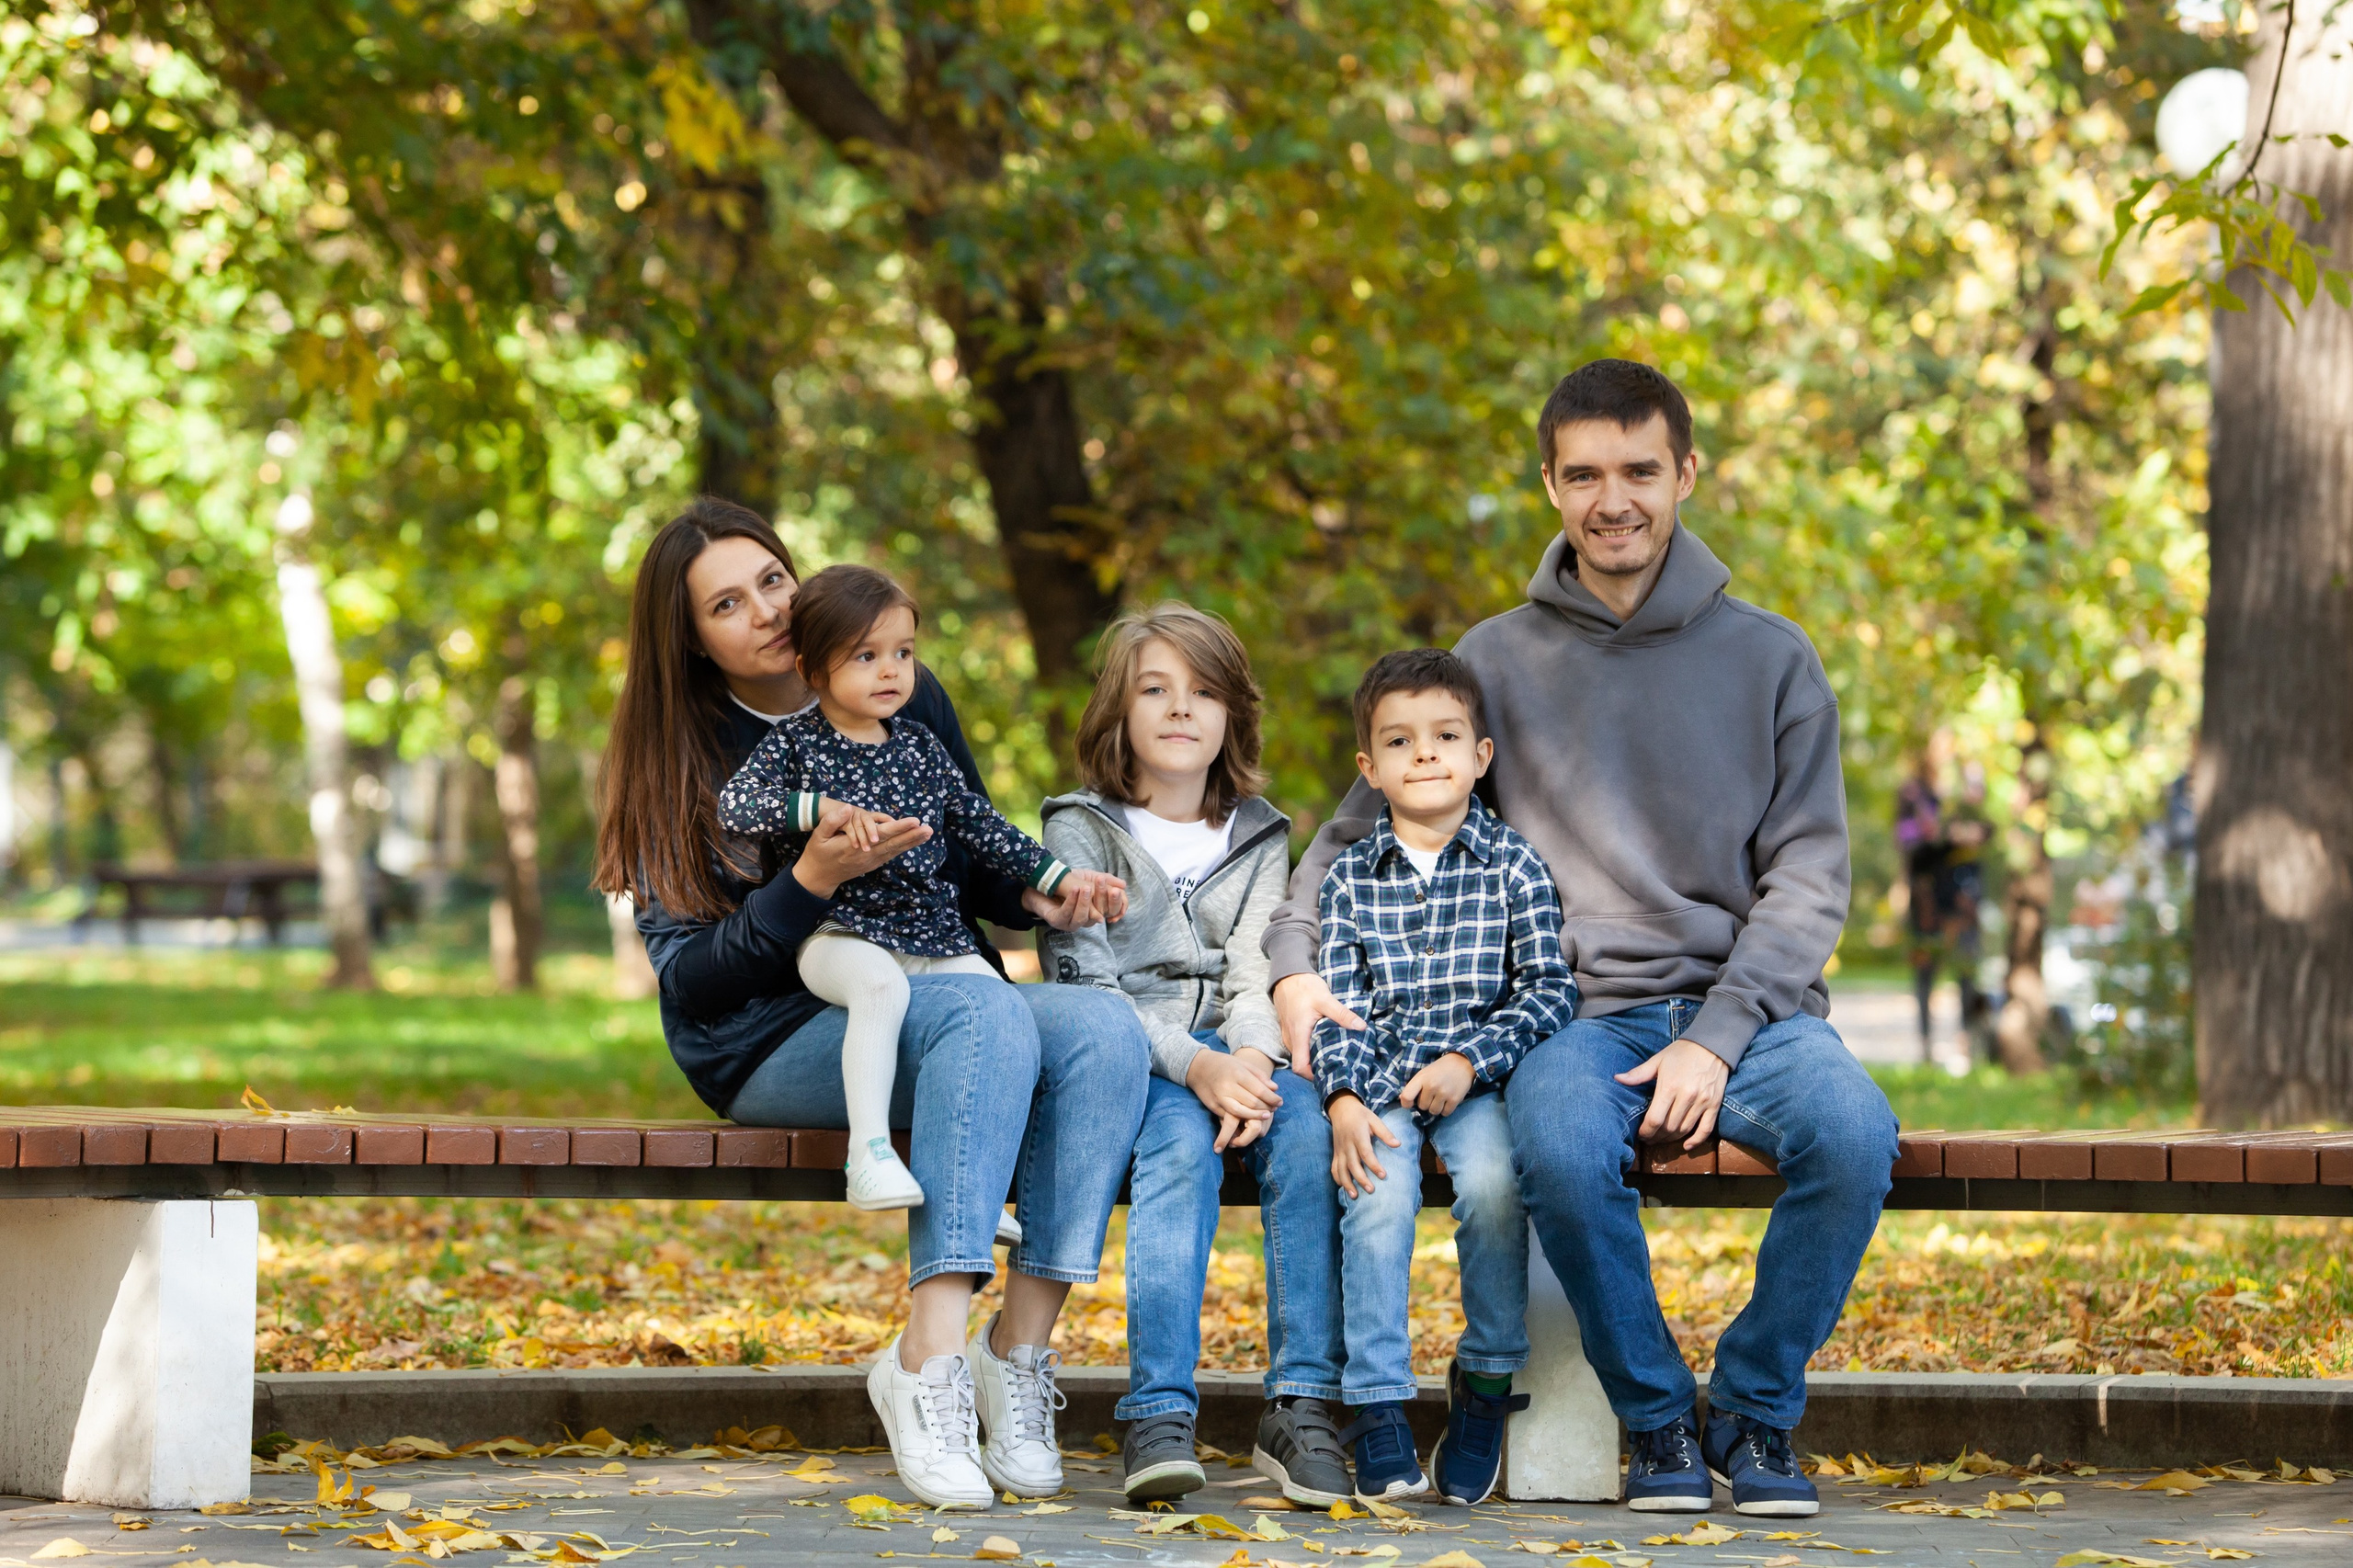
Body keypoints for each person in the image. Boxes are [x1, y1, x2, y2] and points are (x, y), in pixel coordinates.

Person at [1267, 360, 1900, 1519]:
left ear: (1686, 474)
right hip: (1575, 1014)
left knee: (1856, 1135)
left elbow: (1810, 878)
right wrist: (1293, 964)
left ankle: (1752, 1410)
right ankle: (1656, 1418)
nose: (1614, 501)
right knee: (1556, 1146)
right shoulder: (1494, 658)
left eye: (1640, 471)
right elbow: (1356, 832)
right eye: (1586, 475)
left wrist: (1715, 1036)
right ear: (1550, 485)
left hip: (1749, 1015)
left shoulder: (1773, 658)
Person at [591, 499, 1148, 1514]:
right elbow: (694, 985)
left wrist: (1037, 893)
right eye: (727, 603)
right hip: (768, 1037)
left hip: (934, 984)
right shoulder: (681, 752)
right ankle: (926, 1364)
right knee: (982, 1014)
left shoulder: (897, 684)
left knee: (1103, 1030)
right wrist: (807, 879)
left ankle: (1014, 1352)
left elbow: (965, 845)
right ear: (693, 639)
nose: (765, 609)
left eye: (771, 579)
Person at [1039, 604, 1351, 1507]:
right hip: (1136, 1057)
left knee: (1305, 1135)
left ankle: (1300, 1406)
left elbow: (1257, 971)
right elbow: (1090, 989)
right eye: (1156, 689)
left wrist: (1250, 1063)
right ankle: (1158, 1412)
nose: (1182, 708)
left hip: (1240, 1048)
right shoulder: (1077, 830)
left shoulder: (1259, 831)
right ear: (1119, 709)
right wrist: (1196, 1067)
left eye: (1205, 692)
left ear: (1232, 715)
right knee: (1178, 1152)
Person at [715, 564, 1118, 1213]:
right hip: (839, 935)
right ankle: (868, 1157)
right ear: (811, 668)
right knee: (881, 989)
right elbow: (735, 805)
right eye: (866, 656)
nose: (891, 671)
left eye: (903, 653)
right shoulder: (795, 744)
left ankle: (975, 1189)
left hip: (930, 933)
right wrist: (817, 809)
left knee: (1003, 1015)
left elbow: (982, 825)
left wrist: (1060, 878)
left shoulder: (921, 747)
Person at [1311, 649, 1574, 1506]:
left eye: (1445, 736)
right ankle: (1378, 1402)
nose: (1424, 753)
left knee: (1496, 1185)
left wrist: (1469, 1061)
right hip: (1379, 1083)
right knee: (1375, 1194)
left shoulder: (1514, 865)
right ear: (1369, 768)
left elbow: (1549, 989)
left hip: (1478, 1085)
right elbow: (1337, 1008)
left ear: (1481, 756)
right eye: (1399, 740)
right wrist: (1342, 1099)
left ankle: (1487, 1382)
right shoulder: (1350, 879)